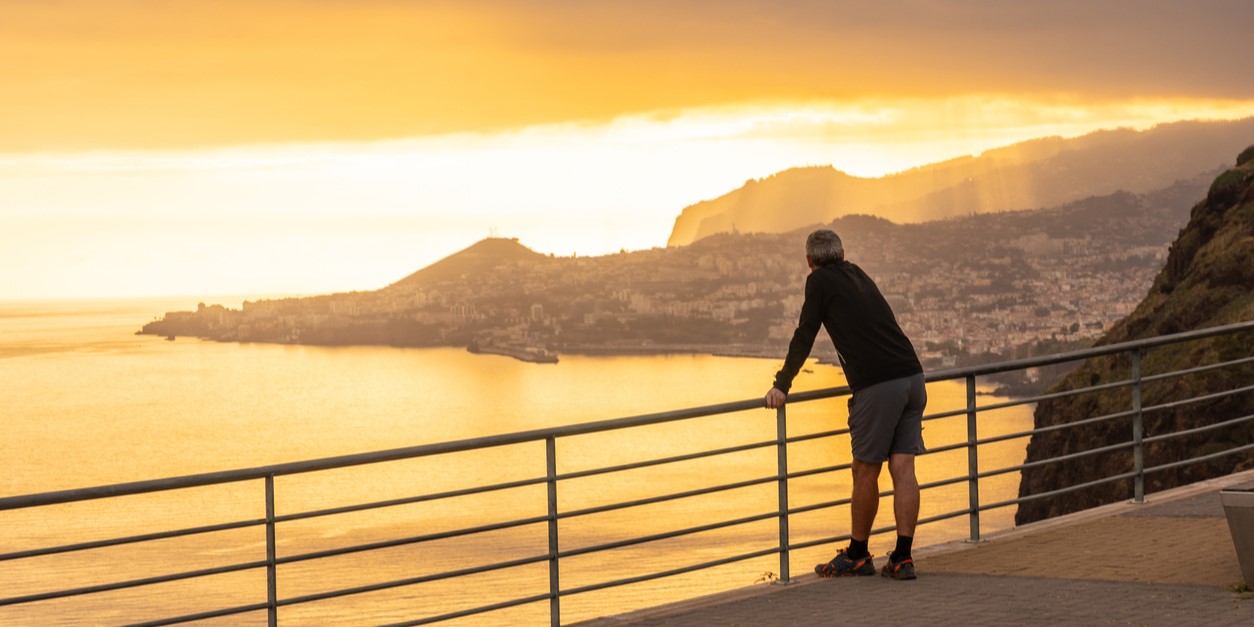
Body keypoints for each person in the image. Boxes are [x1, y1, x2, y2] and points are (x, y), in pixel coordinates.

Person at [765, 228, 926, 581]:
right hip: (912, 376)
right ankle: (902, 558)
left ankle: (856, 554)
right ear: (842, 252)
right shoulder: (859, 274)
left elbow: (804, 334)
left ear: (809, 261)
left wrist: (782, 384)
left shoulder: (819, 281)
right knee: (903, 469)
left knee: (865, 469)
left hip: (879, 384)